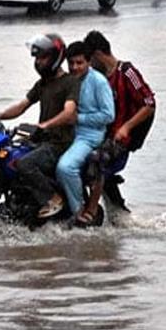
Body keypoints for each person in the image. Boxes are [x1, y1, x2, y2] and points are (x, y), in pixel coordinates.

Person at [0, 34, 81, 219]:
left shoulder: (70, 82)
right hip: (42, 141)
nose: (38, 62)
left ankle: (53, 199)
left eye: (43, 57)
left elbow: (69, 112)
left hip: (60, 144)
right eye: (36, 58)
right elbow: (22, 105)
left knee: (25, 164)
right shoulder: (43, 83)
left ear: (55, 57)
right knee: (7, 158)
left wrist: (45, 125)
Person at [80, 30, 156, 224]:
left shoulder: (126, 72)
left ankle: (91, 211)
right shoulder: (97, 78)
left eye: (90, 59)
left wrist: (127, 127)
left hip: (119, 139)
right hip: (100, 134)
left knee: (96, 159)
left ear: (98, 54)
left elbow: (149, 103)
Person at [55, 41, 114, 226]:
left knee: (65, 167)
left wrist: (78, 119)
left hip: (89, 135)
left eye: (79, 63)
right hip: (67, 133)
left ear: (88, 62)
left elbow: (108, 115)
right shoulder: (67, 80)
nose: (75, 67)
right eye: (71, 63)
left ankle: (79, 212)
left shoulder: (98, 82)